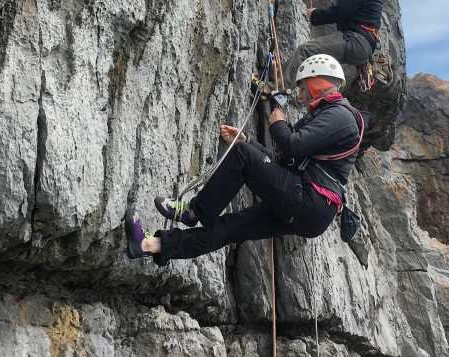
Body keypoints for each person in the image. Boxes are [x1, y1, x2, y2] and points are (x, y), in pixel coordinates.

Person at [124, 55, 362, 265]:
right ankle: (148, 245)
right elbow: (286, 161)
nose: (299, 95)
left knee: (242, 156)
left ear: (316, 83)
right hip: (311, 208)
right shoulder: (329, 116)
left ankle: (193, 212)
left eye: (302, 88)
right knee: (231, 227)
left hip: (311, 200)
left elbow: (292, 145)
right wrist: (248, 141)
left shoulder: (342, 115)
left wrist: (277, 122)